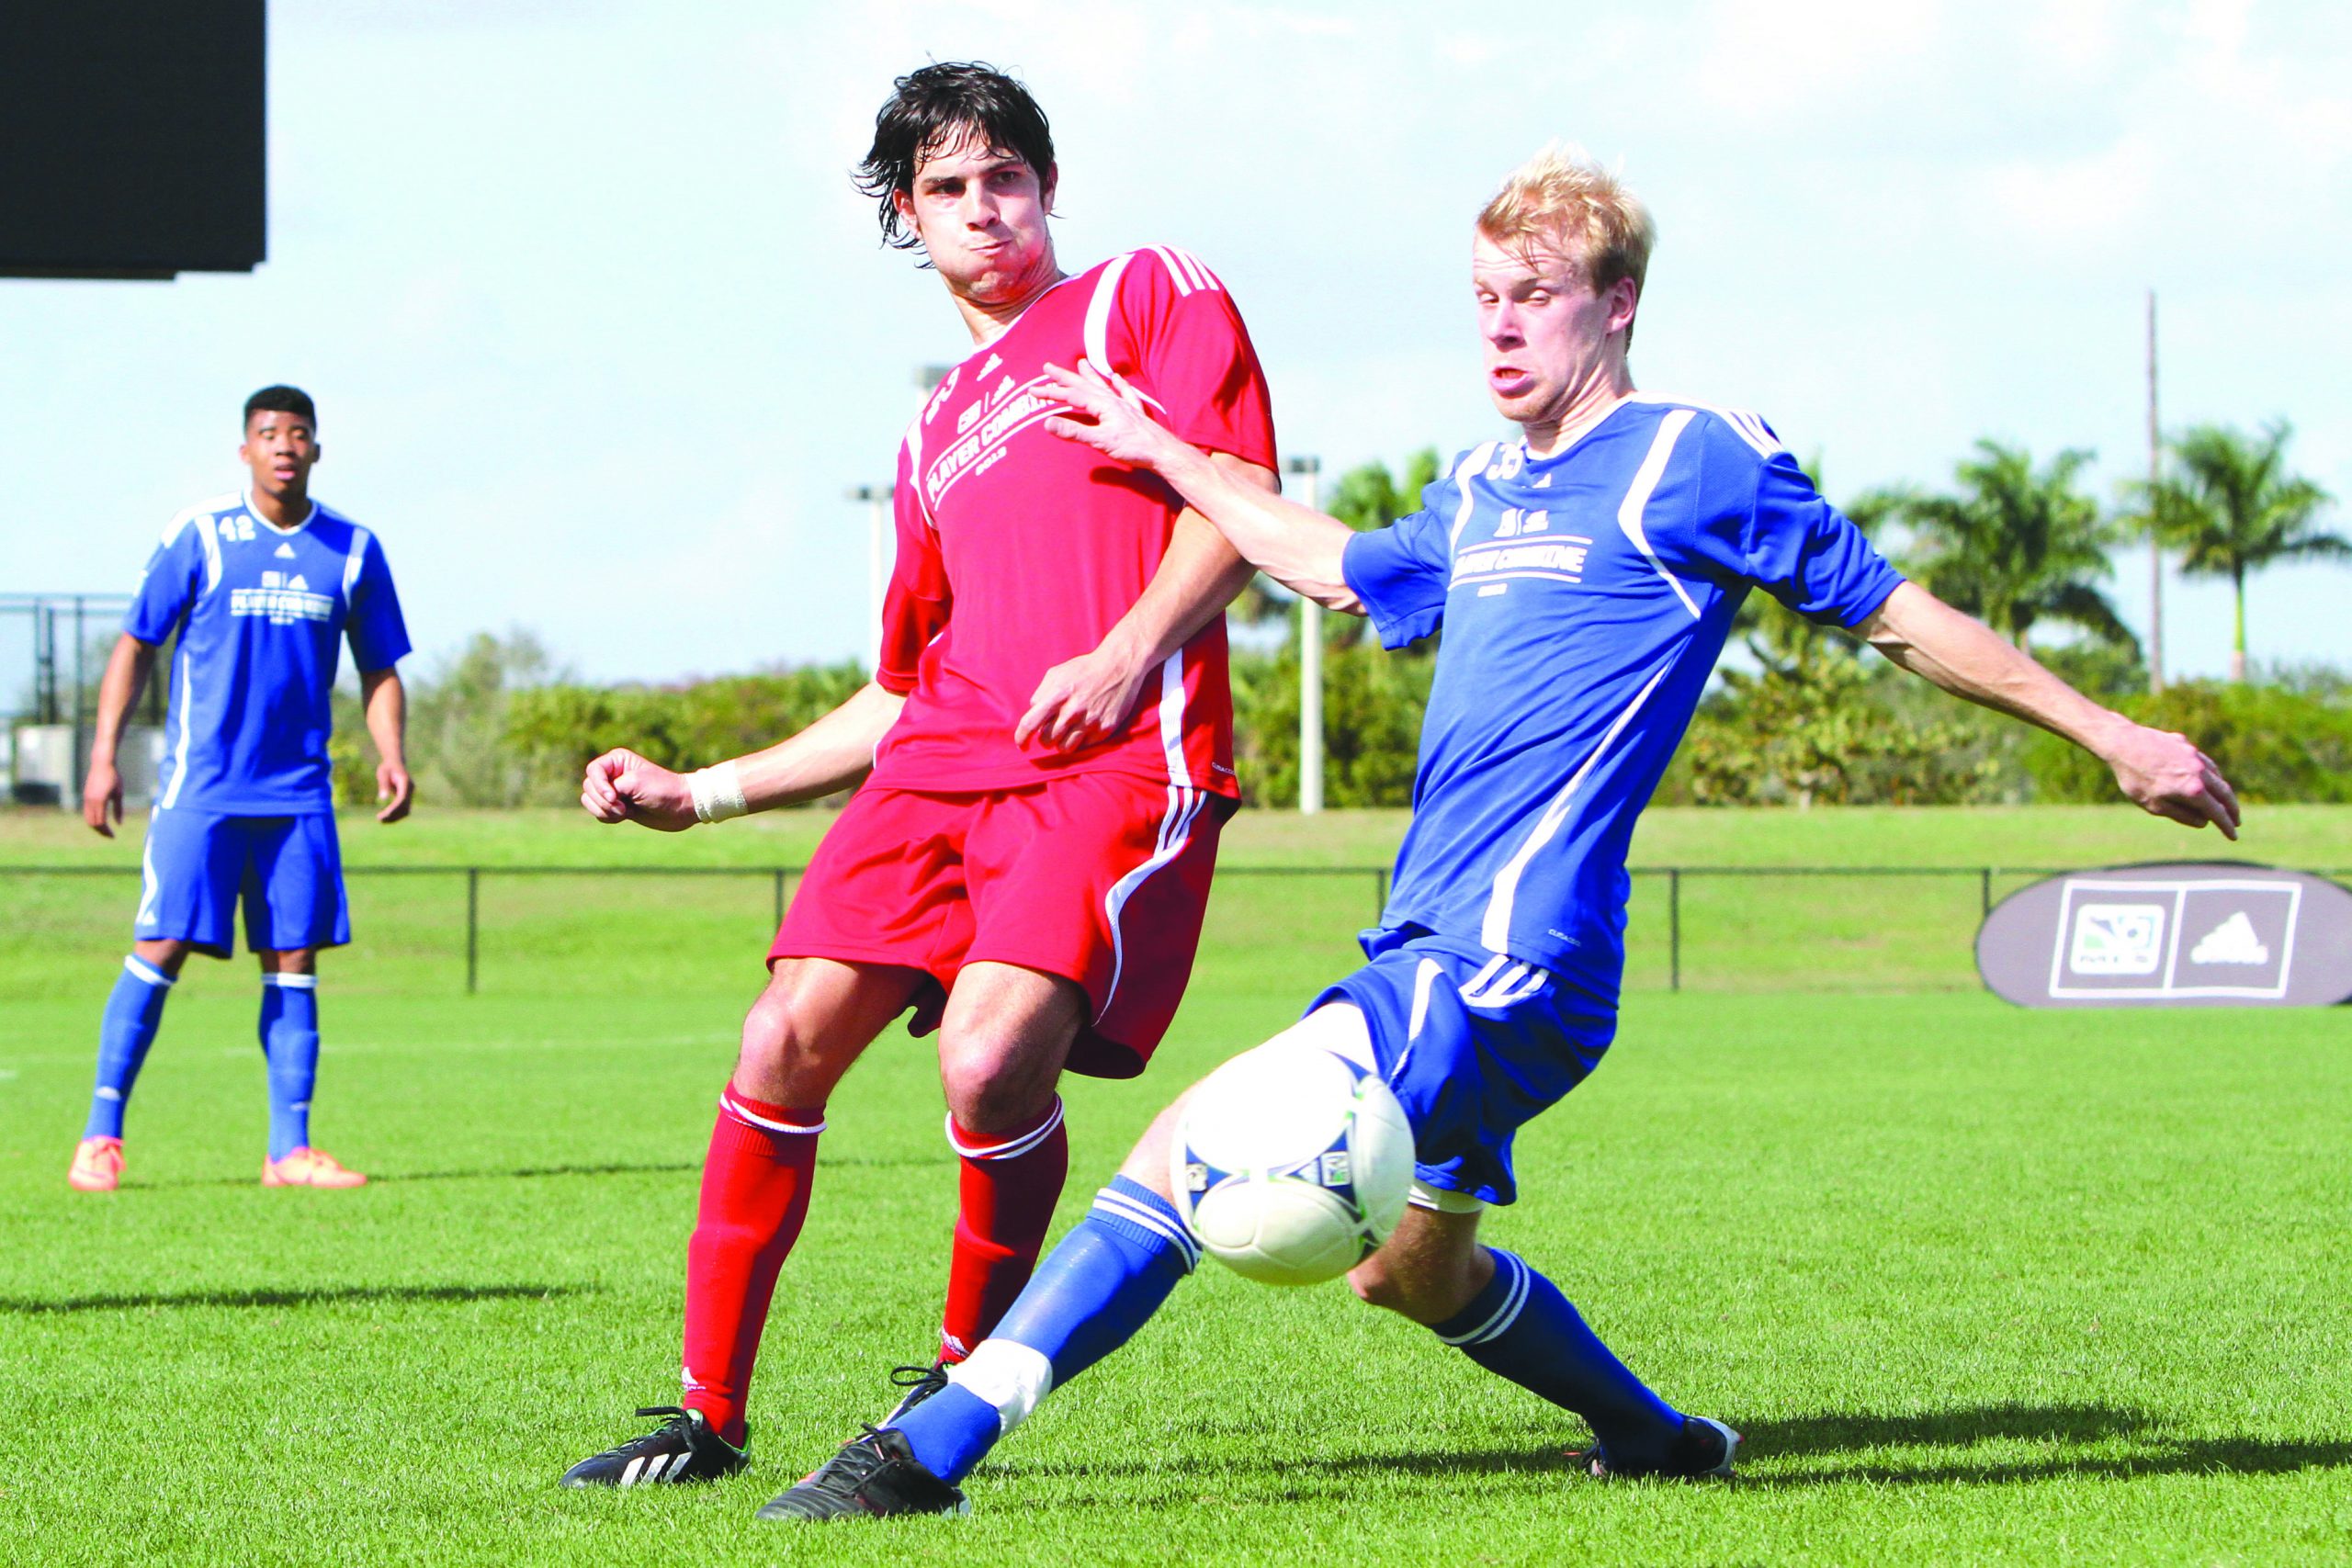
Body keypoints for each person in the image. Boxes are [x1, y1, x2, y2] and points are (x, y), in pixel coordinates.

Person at [759, 143, 2243, 1520]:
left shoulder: (1692, 456)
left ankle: (930, 1450)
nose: (1501, 326)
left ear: (1618, 304)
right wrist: (1172, 452)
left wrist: (2114, 735)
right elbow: (1326, 562)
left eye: (1535, 295)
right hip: (1444, 942)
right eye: (1483, 298)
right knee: (1413, 1269)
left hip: (1509, 948)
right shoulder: (1478, 486)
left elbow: (1900, 617)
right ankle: (1658, 1438)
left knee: (1188, 1145)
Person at [560, 62, 1277, 1493]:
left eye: (1006, 177)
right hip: (940, 767)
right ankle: (705, 1416)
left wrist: (1126, 650)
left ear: (1048, 185)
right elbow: (898, 689)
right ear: (908, 215)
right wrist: (703, 792)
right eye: (948, 188)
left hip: (1106, 758)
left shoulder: (1145, 294)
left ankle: (951, 1397)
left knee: (990, 1056)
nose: (983, 208)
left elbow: (1241, 504)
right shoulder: (933, 429)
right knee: (779, 1036)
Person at [69, 384, 414, 1195]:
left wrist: (391, 753)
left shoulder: (352, 548)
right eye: (268, 433)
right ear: (245, 449)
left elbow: (380, 668)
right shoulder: (201, 534)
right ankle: (99, 1138)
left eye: (298, 433)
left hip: (298, 797)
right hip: (203, 791)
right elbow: (136, 643)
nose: (284, 445)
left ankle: (289, 1151)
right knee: (160, 947)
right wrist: (103, 754)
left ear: (316, 449)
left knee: (294, 960)